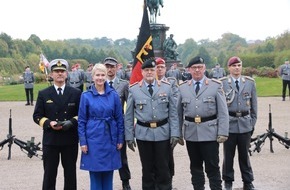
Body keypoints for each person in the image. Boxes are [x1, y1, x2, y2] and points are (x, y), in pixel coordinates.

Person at [125, 59, 180, 190]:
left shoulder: (166, 87)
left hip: (163, 133)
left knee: (163, 167)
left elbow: (173, 113)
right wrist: (129, 136)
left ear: (156, 71)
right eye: (146, 70)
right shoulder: (134, 89)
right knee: (147, 169)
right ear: (142, 72)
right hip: (144, 134)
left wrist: (175, 133)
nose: (149, 72)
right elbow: (128, 116)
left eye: (152, 70)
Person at [177, 56, 229, 190]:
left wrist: (223, 132)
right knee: (195, 167)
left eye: (200, 67)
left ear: (204, 68)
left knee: (212, 167)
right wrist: (178, 134)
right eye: (194, 68)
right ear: (189, 70)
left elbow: (223, 112)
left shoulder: (215, 86)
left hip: (210, 133)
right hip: (191, 133)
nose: (197, 70)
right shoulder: (183, 88)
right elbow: (178, 114)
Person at [33, 59, 81, 190]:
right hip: (51, 140)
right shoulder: (44, 94)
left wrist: (71, 122)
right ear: (51, 74)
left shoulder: (76, 93)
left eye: (62, 71)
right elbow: (36, 116)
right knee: (49, 174)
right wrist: (49, 123)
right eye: (56, 71)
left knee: (70, 174)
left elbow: (81, 115)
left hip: (69, 139)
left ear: (66, 74)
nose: (60, 74)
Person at [78, 63, 124, 190]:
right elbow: (81, 121)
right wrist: (83, 141)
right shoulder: (86, 96)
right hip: (93, 138)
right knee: (95, 175)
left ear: (106, 76)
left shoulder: (114, 95)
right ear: (92, 77)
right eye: (97, 75)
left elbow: (119, 118)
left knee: (109, 174)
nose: (100, 78)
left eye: (102, 75)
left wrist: (120, 138)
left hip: (110, 137)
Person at [220, 56, 257, 190]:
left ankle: (248, 181)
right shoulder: (222, 83)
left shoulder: (249, 82)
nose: (237, 68)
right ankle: (228, 181)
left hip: (245, 124)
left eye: (239, 65)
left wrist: (252, 123)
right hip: (229, 124)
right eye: (234, 66)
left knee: (244, 155)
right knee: (228, 156)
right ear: (229, 68)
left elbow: (254, 106)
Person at [103, 57, 132, 190]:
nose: (110, 69)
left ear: (117, 68)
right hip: (102, 126)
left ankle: (125, 181)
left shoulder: (123, 84)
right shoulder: (98, 83)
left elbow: (130, 105)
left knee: (122, 156)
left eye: (112, 67)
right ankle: (105, 182)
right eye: (107, 67)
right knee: (103, 154)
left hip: (118, 125)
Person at [155, 57, 182, 189]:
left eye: (161, 67)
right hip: (154, 126)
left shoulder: (171, 82)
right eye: (157, 67)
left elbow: (175, 102)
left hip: (167, 125)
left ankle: (168, 180)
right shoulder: (147, 83)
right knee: (152, 157)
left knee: (167, 156)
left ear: (165, 69)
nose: (159, 69)